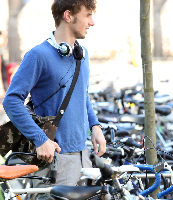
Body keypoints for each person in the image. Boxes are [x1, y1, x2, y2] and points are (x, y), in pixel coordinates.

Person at [2, 0, 106, 191]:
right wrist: (40, 139)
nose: (92, 22)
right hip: (54, 160)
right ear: (68, 16)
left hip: (83, 155)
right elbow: (11, 100)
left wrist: (95, 126)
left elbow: (81, 95)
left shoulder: (81, 55)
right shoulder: (38, 55)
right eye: (87, 15)